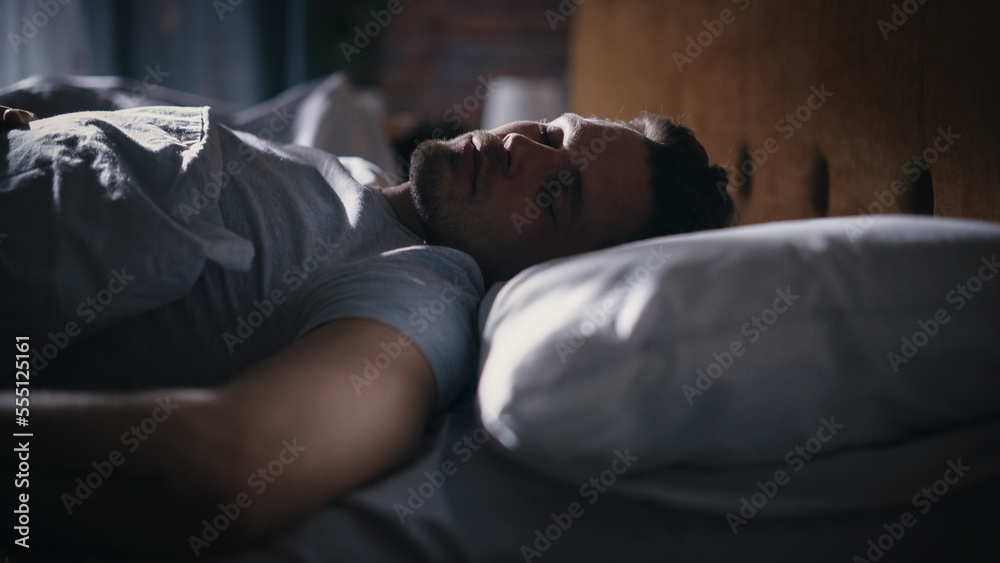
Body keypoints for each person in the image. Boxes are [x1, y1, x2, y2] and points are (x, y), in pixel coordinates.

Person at [1, 101, 731, 556]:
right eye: (547, 132)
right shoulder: (353, 177)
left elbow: (231, 469)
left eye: (554, 192)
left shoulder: (421, 291)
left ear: (544, 279)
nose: (520, 149)